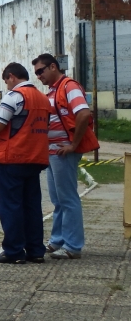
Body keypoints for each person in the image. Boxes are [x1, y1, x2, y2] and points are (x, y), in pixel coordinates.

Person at [0, 62, 50, 264]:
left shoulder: (15, 96)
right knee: (32, 206)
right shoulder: (43, 98)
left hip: (14, 158)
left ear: (11, 76)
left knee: (11, 206)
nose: (7, 86)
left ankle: (14, 251)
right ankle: (36, 250)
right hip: (35, 158)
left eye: (6, 81)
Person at [34, 53, 100, 260]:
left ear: (53, 67)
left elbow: (83, 113)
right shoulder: (53, 91)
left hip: (63, 152)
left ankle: (72, 246)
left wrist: (73, 144)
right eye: (36, 72)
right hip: (53, 152)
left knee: (68, 198)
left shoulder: (69, 86)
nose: (38, 76)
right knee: (58, 199)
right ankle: (58, 240)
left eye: (40, 71)